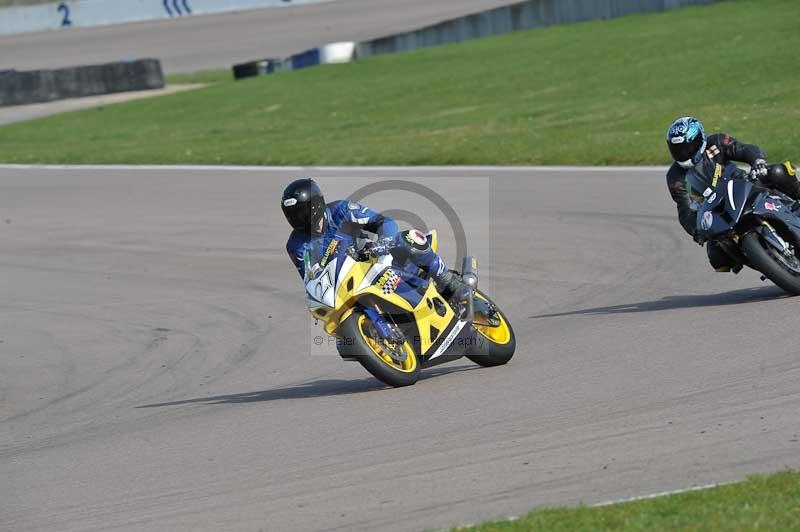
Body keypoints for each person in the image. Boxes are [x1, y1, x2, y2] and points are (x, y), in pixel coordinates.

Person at [281, 178, 465, 299]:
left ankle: (447, 280)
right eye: (292, 214)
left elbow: (382, 221)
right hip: (348, 283)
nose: (297, 218)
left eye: (301, 212)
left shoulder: (342, 210)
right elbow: (310, 279)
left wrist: (384, 242)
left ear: (316, 205)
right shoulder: (296, 244)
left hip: (376, 258)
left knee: (409, 238)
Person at [665, 116, 800, 271]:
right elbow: (684, 210)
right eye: (677, 150)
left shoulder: (716, 143)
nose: (683, 153)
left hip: (747, 185)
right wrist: (696, 232)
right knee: (717, 256)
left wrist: (757, 161)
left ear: (699, 139)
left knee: (778, 172)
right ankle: (768, 262)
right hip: (718, 210)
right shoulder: (675, 177)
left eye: (687, 147)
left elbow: (744, 149)